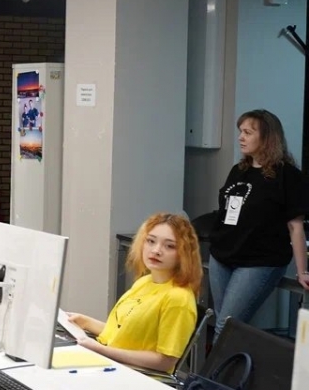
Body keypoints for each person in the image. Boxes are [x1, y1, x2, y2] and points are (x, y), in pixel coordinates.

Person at [207, 109, 309, 337]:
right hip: (222, 255)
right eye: (240, 132)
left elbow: (296, 227)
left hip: (258, 261)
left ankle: (215, 364)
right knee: (225, 323)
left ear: (267, 137)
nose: (241, 137)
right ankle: (235, 361)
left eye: (248, 132)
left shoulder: (288, 176)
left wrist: (302, 271)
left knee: (226, 326)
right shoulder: (238, 170)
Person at [65, 212, 201, 373]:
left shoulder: (178, 299)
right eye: (151, 241)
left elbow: (165, 361)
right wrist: (85, 322)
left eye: (170, 246)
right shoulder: (145, 282)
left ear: (183, 254)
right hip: (113, 364)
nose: (156, 250)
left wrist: (101, 350)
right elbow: (122, 334)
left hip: (137, 376)